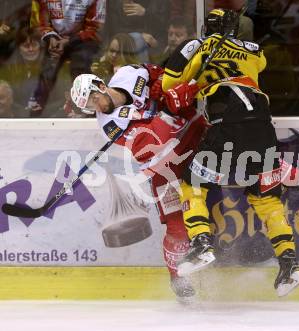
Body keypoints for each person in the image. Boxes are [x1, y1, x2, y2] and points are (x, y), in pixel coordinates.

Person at [161, 8, 299, 297]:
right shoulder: (254, 50)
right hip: (261, 122)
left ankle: (202, 244)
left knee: (192, 183)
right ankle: (289, 265)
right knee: (265, 198)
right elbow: (260, 63)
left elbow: (169, 84)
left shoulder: (200, 49)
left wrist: (189, 60)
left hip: (227, 120)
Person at [70, 63, 208, 302]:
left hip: (198, 138)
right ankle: (178, 278)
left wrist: (163, 84)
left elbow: (168, 74)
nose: (96, 108)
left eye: (94, 100)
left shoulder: (128, 74)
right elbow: (150, 143)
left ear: (101, 86)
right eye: (89, 107)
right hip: (165, 166)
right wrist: (166, 109)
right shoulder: (109, 124)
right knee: (177, 225)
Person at [28, 0, 106, 117]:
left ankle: (88, 108)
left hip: (83, 39)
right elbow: (38, 21)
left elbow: (94, 27)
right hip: (51, 38)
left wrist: (70, 41)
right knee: (48, 68)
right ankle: (36, 107)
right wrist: (50, 36)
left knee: (80, 67)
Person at [1, 26, 43, 111]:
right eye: (26, 46)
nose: (31, 49)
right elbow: (6, 100)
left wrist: (44, 108)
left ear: (40, 47)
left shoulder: (49, 68)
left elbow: (59, 99)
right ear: (19, 49)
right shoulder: (9, 70)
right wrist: (23, 111)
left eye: (34, 45)